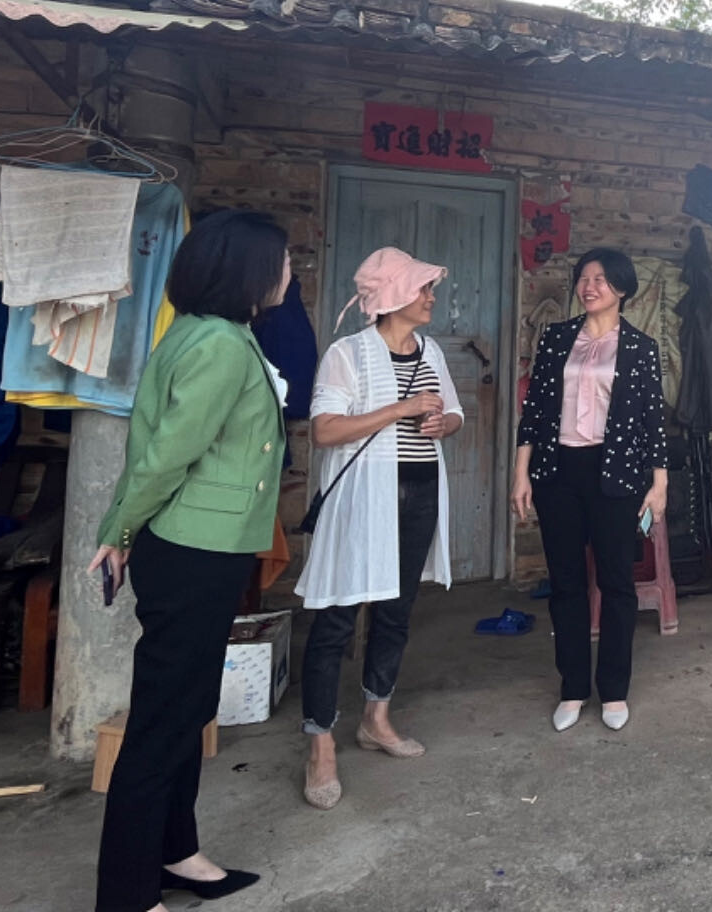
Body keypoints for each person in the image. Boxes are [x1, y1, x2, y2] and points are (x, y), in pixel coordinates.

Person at [88, 210, 291, 912]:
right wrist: (118, 529)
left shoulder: (207, 332)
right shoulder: (222, 347)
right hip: (193, 550)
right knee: (163, 722)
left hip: (205, 546)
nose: (289, 274)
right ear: (249, 272)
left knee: (187, 709)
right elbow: (166, 455)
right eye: (282, 262)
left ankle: (177, 852)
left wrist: (124, 529)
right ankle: (125, 893)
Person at [296, 248, 464, 810]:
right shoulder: (347, 354)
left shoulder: (430, 351)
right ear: (393, 297)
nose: (431, 297)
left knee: (396, 610)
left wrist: (443, 423)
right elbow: (325, 431)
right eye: (422, 289)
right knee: (337, 618)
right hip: (363, 500)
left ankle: (376, 718)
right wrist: (401, 409)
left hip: (419, 493)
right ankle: (320, 744)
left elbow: (454, 412)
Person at [512, 248, 668, 732]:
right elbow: (534, 411)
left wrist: (659, 484)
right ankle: (574, 687)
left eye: (600, 279)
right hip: (558, 471)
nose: (589, 286)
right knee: (566, 582)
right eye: (584, 278)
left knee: (617, 583)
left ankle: (614, 689)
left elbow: (653, 420)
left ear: (621, 288)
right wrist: (521, 472)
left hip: (615, 473)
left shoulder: (640, 347)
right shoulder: (557, 338)